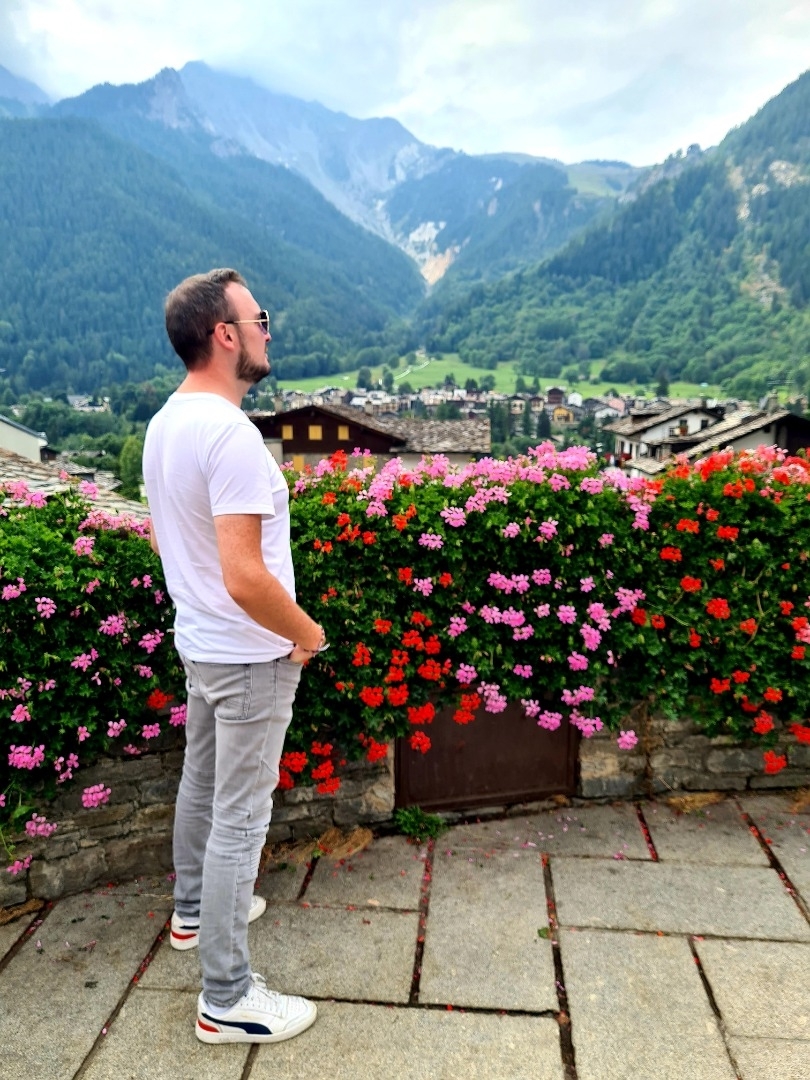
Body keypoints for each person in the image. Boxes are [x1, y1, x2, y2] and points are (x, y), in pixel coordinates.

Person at [143, 268, 325, 1045]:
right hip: (250, 655)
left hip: (203, 643)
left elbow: (171, 542)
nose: (268, 330)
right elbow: (246, 575)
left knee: (204, 785)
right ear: (225, 335)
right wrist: (307, 634)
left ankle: (193, 915)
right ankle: (226, 998)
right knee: (241, 822)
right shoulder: (230, 434)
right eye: (259, 318)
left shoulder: (165, 424)